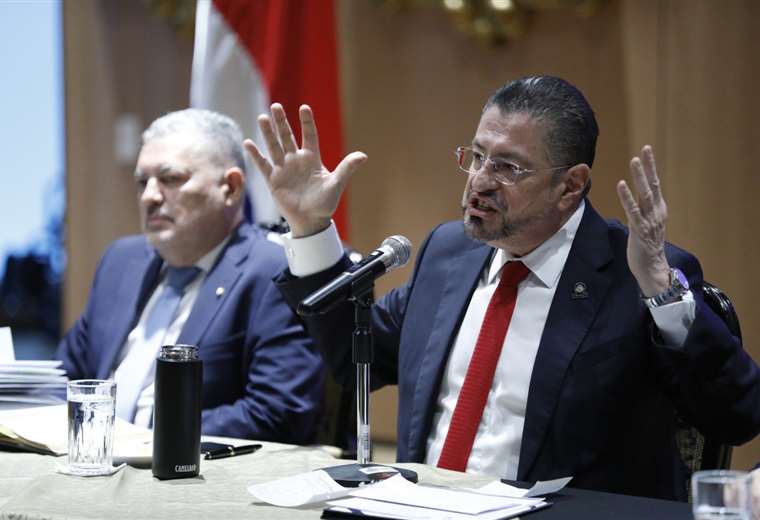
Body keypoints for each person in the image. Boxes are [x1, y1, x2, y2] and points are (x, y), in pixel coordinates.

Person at [244, 76, 760, 500]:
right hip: (418, 509)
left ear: (570, 185)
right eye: (476, 156)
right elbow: (355, 356)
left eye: (507, 167)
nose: (479, 180)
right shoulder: (448, 253)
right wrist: (310, 227)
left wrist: (663, 295)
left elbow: (736, 416)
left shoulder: (638, 274)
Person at [57, 108, 324, 444]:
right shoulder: (121, 262)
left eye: (170, 178)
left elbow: (277, 413)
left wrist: (149, 438)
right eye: (142, 182)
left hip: (194, 469)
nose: (150, 196)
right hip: (92, 459)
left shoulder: (274, 271)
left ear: (230, 187)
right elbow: (65, 378)